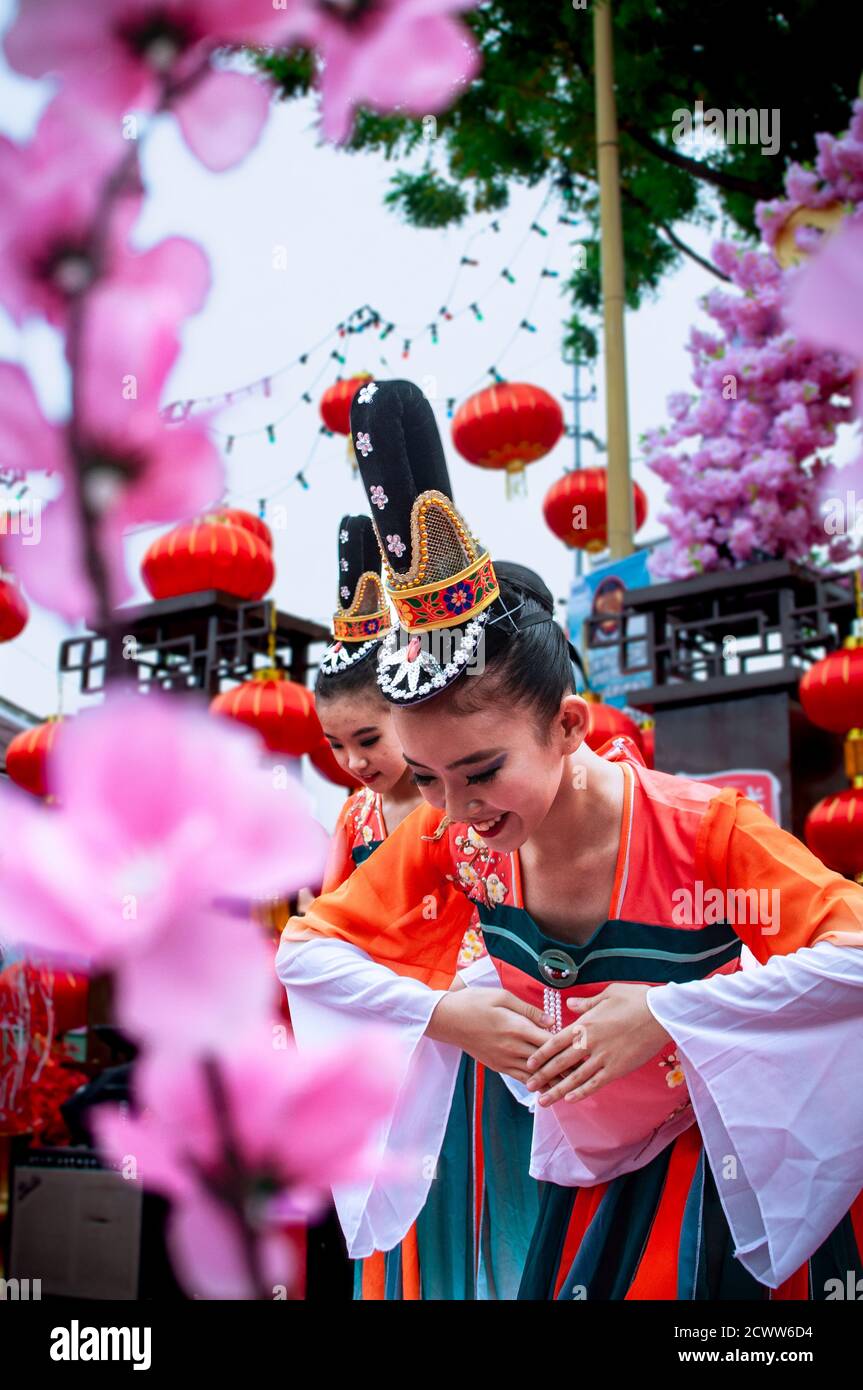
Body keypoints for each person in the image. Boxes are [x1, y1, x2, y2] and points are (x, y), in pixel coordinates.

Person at [278, 379, 863, 1300]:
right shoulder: (452, 838)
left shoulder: (701, 830)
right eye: (423, 776)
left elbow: (855, 954)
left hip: (712, 1167)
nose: (454, 808)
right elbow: (307, 952)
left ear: (569, 725)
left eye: (479, 769)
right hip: (571, 1171)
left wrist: (670, 1012)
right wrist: (448, 1014)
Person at [310, 511, 536, 1299]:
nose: (354, 763)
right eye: (335, 748)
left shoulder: (480, 807)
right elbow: (332, 932)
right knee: (406, 1210)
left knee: (505, 1205)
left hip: (496, 1026)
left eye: (368, 739)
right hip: (401, 1034)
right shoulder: (357, 819)